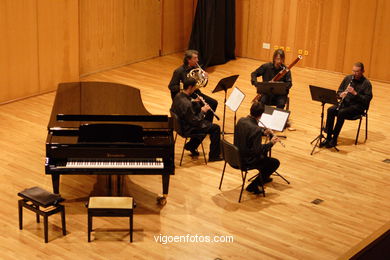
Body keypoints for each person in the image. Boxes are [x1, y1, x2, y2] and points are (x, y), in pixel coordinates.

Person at [320, 62, 373, 148]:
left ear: (363, 71)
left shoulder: (366, 84)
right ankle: (328, 137)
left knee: (341, 112)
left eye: (357, 71)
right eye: (353, 71)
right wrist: (341, 94)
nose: (354, 73)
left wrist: (355, 93)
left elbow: (367, 100)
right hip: (345, 103)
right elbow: (339, 91)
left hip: (357, 107)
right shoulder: (348, 78)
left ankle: (334, 139)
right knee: (331, 110)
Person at [171, 77, 222, 162]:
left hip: (181, 125)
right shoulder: (186, 103)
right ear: (190, 87)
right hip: (188, 128)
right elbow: (196, 121)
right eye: (194, 87)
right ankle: (214, 156)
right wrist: (203, 111)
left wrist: (195, 102)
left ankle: (192, 145)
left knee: (208, 124)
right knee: (215, 128)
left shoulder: (178, 95)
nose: (195, 89)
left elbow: (186, 110)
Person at [234, 102, 280, 194]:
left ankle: (263, 177)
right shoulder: (256, 129)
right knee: (274, 163)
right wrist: (271, 143)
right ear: (261, 115)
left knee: (265, 157)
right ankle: (253, 186)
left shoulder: (241, 120)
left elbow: (248, 135)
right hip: (246, 161)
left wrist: (263, 132)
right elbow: (257, 151)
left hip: (235, 156)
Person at [168, 49, 218, 123]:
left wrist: (205, 78)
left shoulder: (195, 69)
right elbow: (171, 86)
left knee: (213, 103)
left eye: (197, 58)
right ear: (188, 60)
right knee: (200, 106)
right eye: (195, 58)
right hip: (184, 96)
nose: (197, 60)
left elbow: (202, 84)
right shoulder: (179, 71)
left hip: (194, 92)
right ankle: (200, 123)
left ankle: (207, 123)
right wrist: (185, 87)